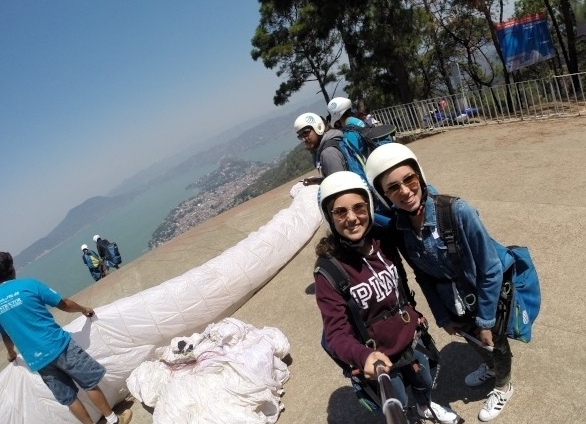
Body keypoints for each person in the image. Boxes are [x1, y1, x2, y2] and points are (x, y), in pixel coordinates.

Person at [365, 143, 514, 422]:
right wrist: (442, 316)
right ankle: (491, 367)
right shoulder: (401, 229)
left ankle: (504, 384)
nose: (405, 191)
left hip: (483, 294)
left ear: (419, 176)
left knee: (495, 342)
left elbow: (490, 268)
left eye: (409, 179)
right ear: (384, 195)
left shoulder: (457, 212)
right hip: (451, 301)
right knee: (472, 338)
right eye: (393, 187)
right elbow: (423, 276)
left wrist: (485, 319)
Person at [314, 171, 459, 423]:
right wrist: (363, 357)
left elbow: (400, 280)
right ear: (329, 217)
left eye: (359, 207)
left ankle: (425, 406)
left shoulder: (383, 241)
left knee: (425, 380)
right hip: (379, 355)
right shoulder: (329, 271)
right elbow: (336, 334)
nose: (352, 218)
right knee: (397, 401)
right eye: (340, 212)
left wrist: (413, 311)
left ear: (369, 207)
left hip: (411, 337)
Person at [0, 251, 132, 424]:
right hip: (59, 345)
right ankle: (113, 420)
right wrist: (83, 309)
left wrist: (11, 354)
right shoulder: (28, 285)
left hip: (38, 360)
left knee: (69, 398)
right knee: (89, 384)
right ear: (12, 269)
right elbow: (63, 304)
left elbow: (5, 335)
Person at [293, 112, 346, 184]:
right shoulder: (329, 144)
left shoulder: (328, 153)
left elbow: (339, 185)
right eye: (301, 136)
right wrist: (319, 180)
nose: (304, 139)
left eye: (305, 133)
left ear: (318, 127)